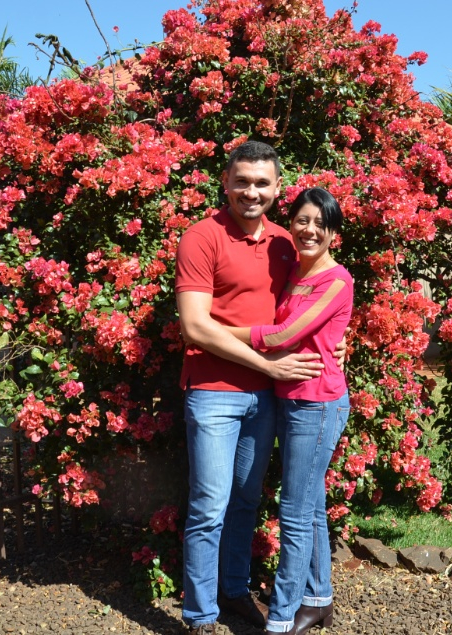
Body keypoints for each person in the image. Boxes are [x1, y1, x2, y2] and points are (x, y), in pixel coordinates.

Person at [175, 141, 335, 635]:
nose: (251, 191)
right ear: (225, 182)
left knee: (246, 501)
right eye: (242, 181)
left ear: (277, 188)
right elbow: (195, 328)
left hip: (268, 396)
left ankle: (234, 591)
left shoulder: (289, 243)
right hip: (214, 392)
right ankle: (199, 616)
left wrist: (336, 345)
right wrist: (270, 364)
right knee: (209, 506)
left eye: (262, 183)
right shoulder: (201, 238)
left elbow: (321, 299)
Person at [223, 187, 352, 635]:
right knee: (310, 505)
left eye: (321, 223)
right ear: (290, 222)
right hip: (289, 399)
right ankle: (317, 600)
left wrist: (214, 330)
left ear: (334, 233)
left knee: (294, 510)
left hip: (316, 404)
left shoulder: (336, 280)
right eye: (302, 219)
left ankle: (280, 617)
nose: (310, 229)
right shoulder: (295, 269)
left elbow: (281, 336)